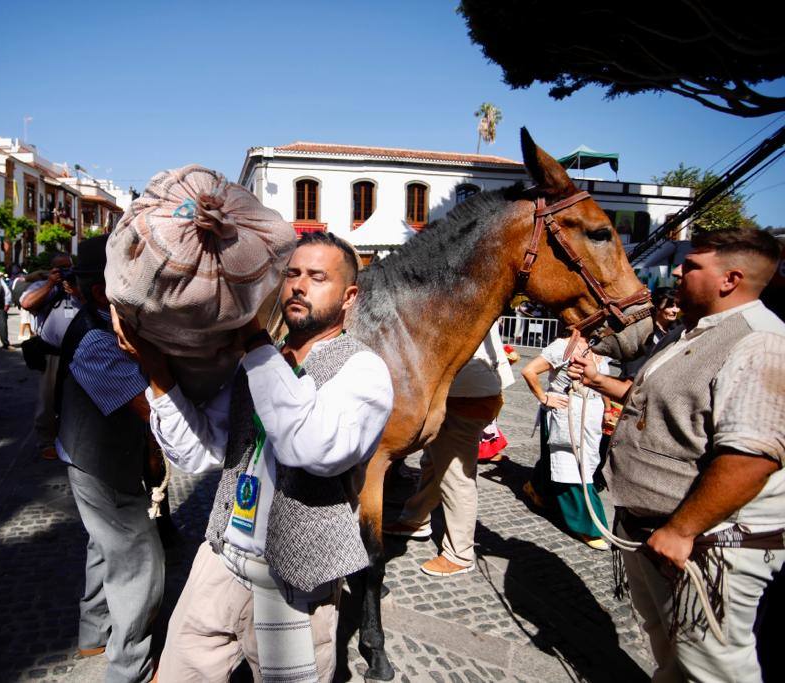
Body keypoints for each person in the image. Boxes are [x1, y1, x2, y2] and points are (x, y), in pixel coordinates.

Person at [116, 231, 394, 682]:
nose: (298, 286)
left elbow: (309, 447)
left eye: (317, 277)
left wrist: (253, 340)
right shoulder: (259, 362)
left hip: (291, 581)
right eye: (292, 274)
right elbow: (201, 453)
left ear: (349, 297)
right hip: (219, 558)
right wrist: (158, 372)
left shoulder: (363, 369)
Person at [568, 228, 784, 682]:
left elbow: (752, 455)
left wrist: (683, 530)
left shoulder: (759, 342)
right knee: (670, 647)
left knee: (713, 667)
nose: (678, 272)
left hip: (705, 544)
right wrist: (597, 381)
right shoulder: (696, 332)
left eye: (692, 266)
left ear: (730, 279)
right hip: (654, 529)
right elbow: (662, 404)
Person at [49, 237, 163, 681]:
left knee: (104, 547)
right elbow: (151, 410)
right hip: (101, 466)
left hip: (94, 459)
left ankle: (93, 632)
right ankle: (129, 667)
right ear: (102, 293)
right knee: (138, 561)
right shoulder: (96, 341)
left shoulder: (95, 321)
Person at [383, 323, 515, 575]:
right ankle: (415, 518)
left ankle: (460, 553)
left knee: (455, 474)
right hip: (466, 388)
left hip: (463, 391)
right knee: (434, 461)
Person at [520, 332, 611, 550]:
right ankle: (589, 525)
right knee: (573, 469)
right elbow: (528, 371)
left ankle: (536, 487)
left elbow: (602, 382)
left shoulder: (601, 346)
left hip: (591, 414)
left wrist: (607, 408)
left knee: (583, 463)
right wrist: (544, 397)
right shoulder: (562, 346)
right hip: (566, 413)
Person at [20, 253, 80, 460]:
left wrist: (76, 290)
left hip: (80, 351)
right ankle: (46, 440)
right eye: (60, 268)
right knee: (48, 398)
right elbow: (27, 304)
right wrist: (50, 284)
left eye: (68, 267)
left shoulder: (79, 285)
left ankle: (73, 438)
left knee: (78, 398)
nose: (65, 272)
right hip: (52, 352)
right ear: (51, 269)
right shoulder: (41, 286)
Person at [622, 288, 681, 379]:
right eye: (670, 306)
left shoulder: (679, 329)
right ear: (657, 306)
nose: (675, 310)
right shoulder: (644, 330)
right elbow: (633, 365)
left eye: (677, 306)